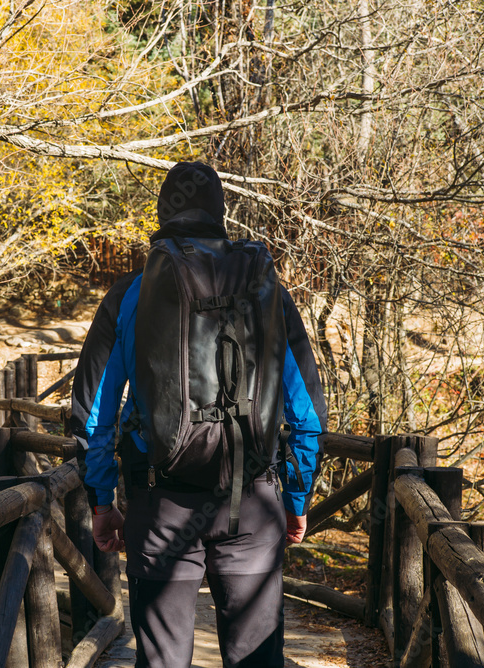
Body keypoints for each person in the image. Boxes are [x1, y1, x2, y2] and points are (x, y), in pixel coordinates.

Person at [70, 161, 327, 668]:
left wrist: (102, 502)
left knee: (163, 662)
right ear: (220, 214)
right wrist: (296, 497)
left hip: (159, 504)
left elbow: (93, 412)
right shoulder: (268, 291)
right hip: (252, 503)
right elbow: (308, 413)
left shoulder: (129, 294)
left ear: (163, 213)